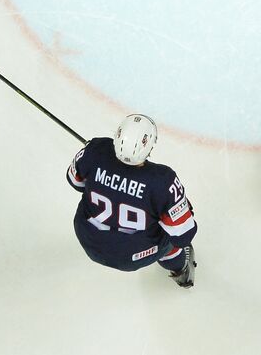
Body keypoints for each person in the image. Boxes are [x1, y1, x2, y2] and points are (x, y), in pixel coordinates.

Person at [66, 114, 197, 288]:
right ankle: (182, 273)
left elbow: (74, 181)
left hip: (88, 240)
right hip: (134, 255)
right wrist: (181, 205)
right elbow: (183, 234)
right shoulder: (163, 181)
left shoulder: (95, 150)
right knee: (171, 238)